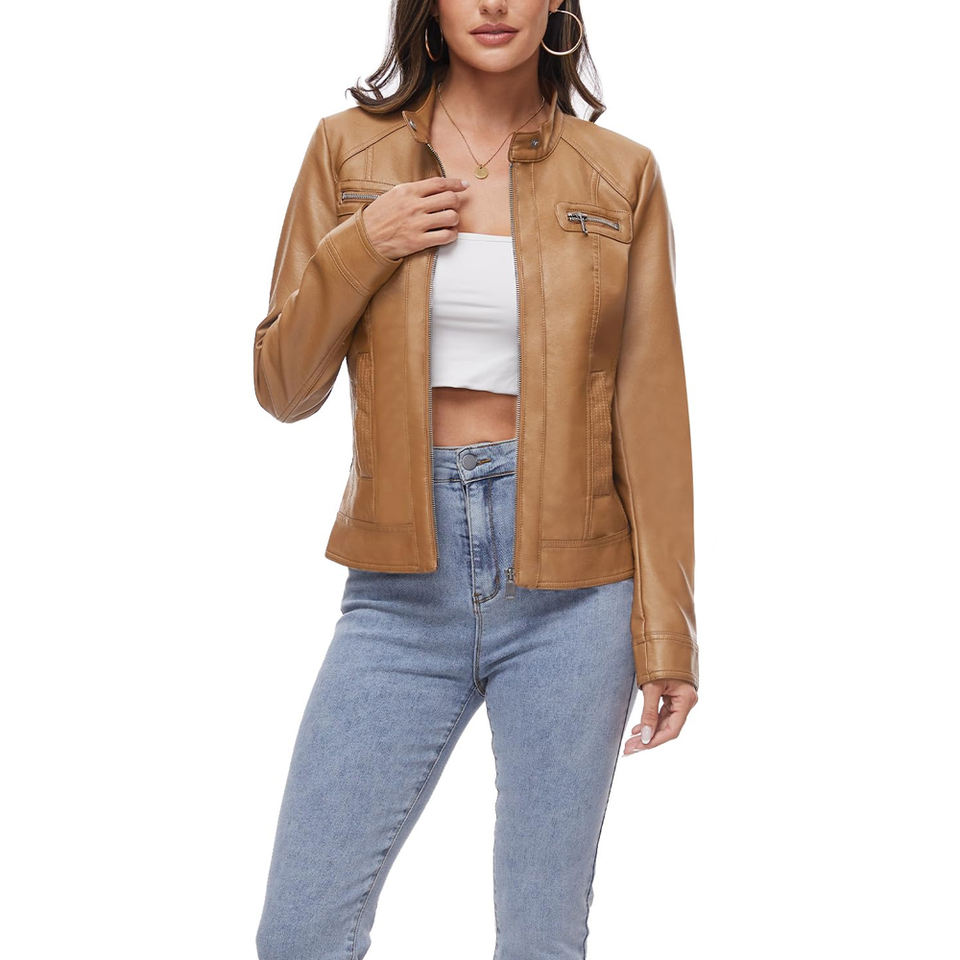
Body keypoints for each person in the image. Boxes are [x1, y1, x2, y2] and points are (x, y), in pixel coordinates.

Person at [252, 2, 699, 958]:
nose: (493, 5)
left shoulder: (619, 172)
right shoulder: (347, 150)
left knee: (541, 939)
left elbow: (651, 414)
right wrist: (365, 243)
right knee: (299, 931)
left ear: (556, 6)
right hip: (400, 585)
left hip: (577, 588)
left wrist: (669, 632)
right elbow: (283, 388)